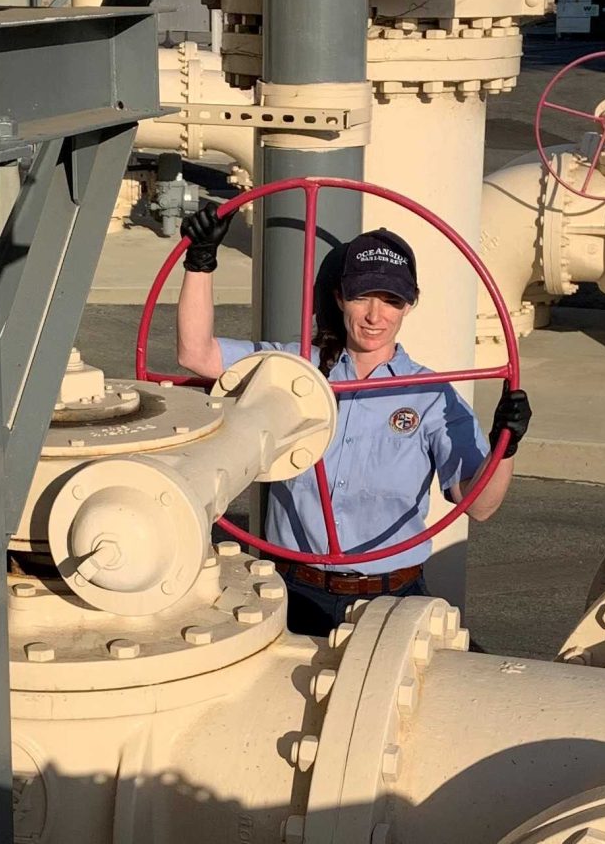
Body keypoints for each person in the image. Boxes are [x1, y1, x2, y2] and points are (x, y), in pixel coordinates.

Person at [175, 204, 532, 636]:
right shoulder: (294, 369)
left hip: (391, 601)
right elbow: (197, 355)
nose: (374, 315)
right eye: (362, 296)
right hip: (289, 591)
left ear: (408, 306)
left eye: (391, 300)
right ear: (340, 297)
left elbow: (480, 504)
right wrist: (200, 261)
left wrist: (504, 446)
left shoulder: (431, 395)